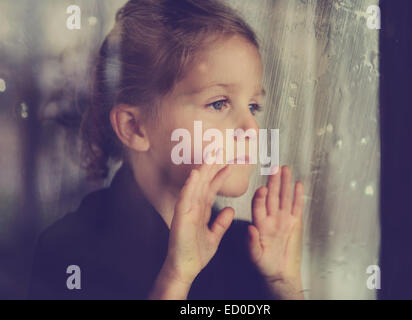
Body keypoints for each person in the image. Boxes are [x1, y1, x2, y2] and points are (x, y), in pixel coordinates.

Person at [28, 0, 305, 300]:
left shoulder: (246, 247)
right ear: (134, 127)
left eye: (253, 106)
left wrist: (282, 284)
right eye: (219, 103)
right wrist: (175, 279)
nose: (251, 129)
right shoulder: (70, 252)